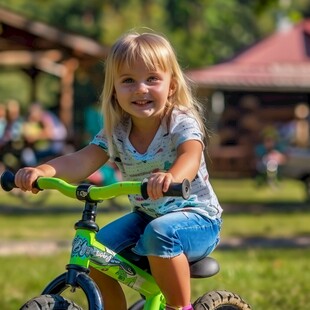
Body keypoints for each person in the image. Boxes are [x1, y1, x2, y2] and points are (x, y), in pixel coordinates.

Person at [14, 31, 222, 310]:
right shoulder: (117, 131)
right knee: (95, 249)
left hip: (197, 218)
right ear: (114, 90)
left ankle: (179, 307)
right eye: (128, 81)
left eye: (152, 79)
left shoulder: (179, 122)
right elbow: (82, 160)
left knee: (161, 233)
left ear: (171, 85)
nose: (140, 89)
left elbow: (190, 155)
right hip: (147, 216)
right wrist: (43, 171)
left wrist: (172, 177)